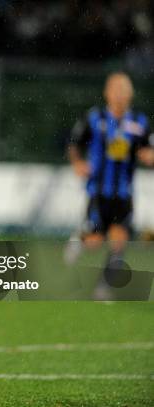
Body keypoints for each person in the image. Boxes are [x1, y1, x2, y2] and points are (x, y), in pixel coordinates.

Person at [65, 72, 154, 298]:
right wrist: (77, 163)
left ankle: (103, 288)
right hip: (99, 191)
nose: (119, 94)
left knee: (119, 239)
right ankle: (80, 238)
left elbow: (149, 148)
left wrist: (149, 155)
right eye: (115, 89)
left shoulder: (139, 122)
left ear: (130, 94)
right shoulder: (95, 118)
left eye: (124, 90)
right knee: (95, 240)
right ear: (107, 93)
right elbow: (75, 143)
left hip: (124, 193)